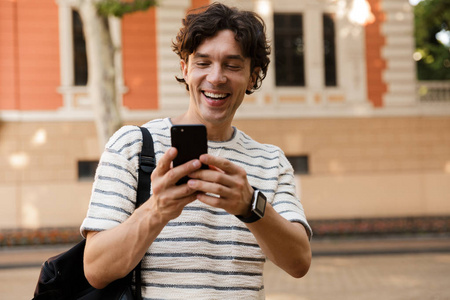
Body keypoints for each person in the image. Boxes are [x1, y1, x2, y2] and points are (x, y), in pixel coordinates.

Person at [81, 2, 312, 299]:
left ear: (253, 77)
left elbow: (299, 262)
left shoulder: (270, 161)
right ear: (185, 69)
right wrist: (157, 210)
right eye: (203, 63)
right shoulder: (132, 146)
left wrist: (250, 205)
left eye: (232, 64)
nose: (216, 77)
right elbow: (96, 270)